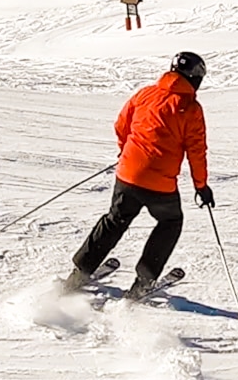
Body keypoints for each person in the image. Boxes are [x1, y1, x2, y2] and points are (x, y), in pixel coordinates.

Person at [66, 51, 215, 298]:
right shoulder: (190, 108)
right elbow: (196, 151)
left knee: (115, 219)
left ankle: (79, 273)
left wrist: (126, 152)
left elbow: (121, 125)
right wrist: (201, 186)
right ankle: (144, 281)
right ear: (195, 77)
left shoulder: (146, 93)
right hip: (160, 185)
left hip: (128, 175)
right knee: (170, 222)